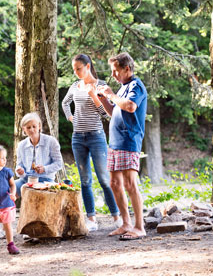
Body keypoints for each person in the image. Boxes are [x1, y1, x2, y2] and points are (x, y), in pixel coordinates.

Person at [61, 54, 121, 232]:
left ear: (88, 66)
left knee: (104, 179)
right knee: (85, 180)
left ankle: (116, 217)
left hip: (96, 137)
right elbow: (65, 103)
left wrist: (94, 96)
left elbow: (106, 114)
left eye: (79, 68)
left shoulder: (100, 85)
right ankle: (92, 219)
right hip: (78, 138)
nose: (76, 72)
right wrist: (71, 118)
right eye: (74, 69)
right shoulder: (75, 86)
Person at [96, 52, 147, 240]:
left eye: (116, 71)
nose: (113, 75)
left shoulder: (136, 86)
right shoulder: (122, 88)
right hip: (115, 143)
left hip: (129, 140)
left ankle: (139, 226)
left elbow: (131, 107)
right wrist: (103, 99)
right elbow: (114, 111)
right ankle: (126, 224)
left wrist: (111, 94)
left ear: (127, 69)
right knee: (115, 183)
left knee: (130, 183)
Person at [15, 112, 63, 197]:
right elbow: (19, 166)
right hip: (26, 179)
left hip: (46, 180)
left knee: (44, 196)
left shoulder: (51, 141)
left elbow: (59, 164)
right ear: (24, 129)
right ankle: (7, 210)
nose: (32, 130)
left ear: (39, 126)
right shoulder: (21, 145)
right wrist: (20, 171)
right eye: (28, 127)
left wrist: (44, 169)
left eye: (34, 126)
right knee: (7, 188)